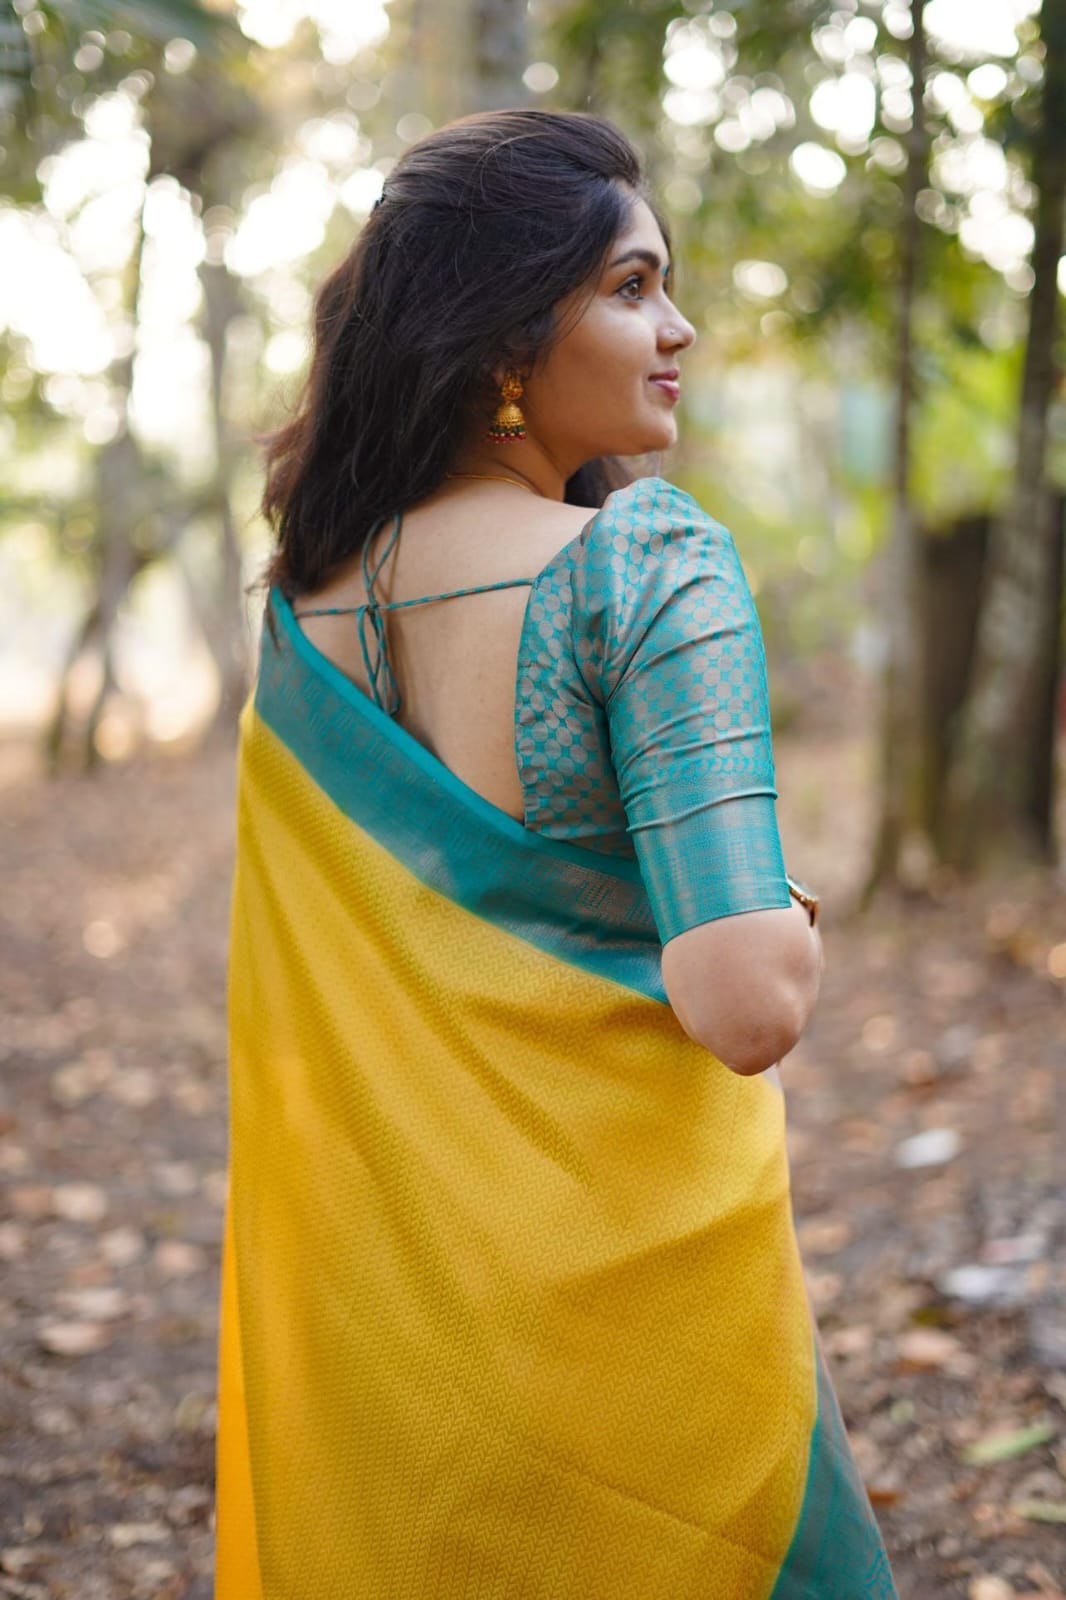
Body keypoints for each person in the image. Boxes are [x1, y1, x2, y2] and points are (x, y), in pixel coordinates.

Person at [214, 108, 898, 1598]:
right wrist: (784, 911)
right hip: (641, 1326)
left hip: (397, 1333)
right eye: (632, 287)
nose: (679, 328)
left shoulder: (302, 615)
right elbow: (744, 1005)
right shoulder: (647, 568)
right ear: (506, 338)